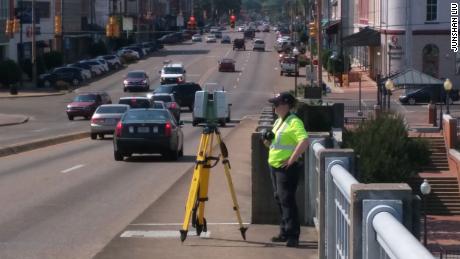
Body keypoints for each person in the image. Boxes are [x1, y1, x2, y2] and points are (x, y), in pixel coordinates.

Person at [264, 92, 309, 248]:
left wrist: (292, 159)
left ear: (286, 105)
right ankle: (284, 232)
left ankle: (293, 235)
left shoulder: (294, 122)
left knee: (287, 201)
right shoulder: (279, 122)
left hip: (286, 169)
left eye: (276, 104)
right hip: (275, 166)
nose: (274, 107)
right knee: (280, 199)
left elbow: (304, 141)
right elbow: (274, 145)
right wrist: (267, 141)